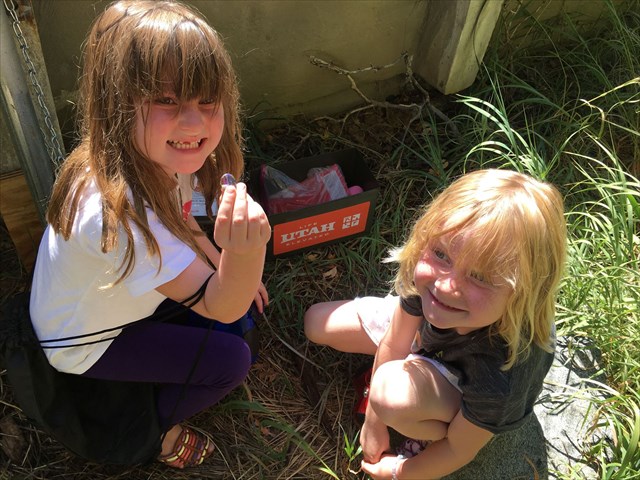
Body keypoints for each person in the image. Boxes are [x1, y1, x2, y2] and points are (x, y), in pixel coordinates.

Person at [29, 0, 271, 469]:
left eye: (207, 101)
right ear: (116, 102)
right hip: (83, 344)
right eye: (167, 101)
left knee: (236, 325)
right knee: (230, 361)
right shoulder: (116, 218)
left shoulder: (146, 156)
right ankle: (152, 430)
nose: (194, 122)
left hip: (107, 302)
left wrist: (220, 259)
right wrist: (244, 256)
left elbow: (178, 217)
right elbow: (223, 302)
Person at [304, 169, 567, 479]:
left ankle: (425, 427)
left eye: (479, 277)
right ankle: (409, 381)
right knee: (317, 322)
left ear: (523, 293)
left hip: (462, 379)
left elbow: (460, 449)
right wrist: (373, 423)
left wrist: (399, 471)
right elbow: (394, 342)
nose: (446, 286)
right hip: (432, 336)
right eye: (441, 253)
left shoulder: (502, 377)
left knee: (390, 393)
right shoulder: (436, 286)